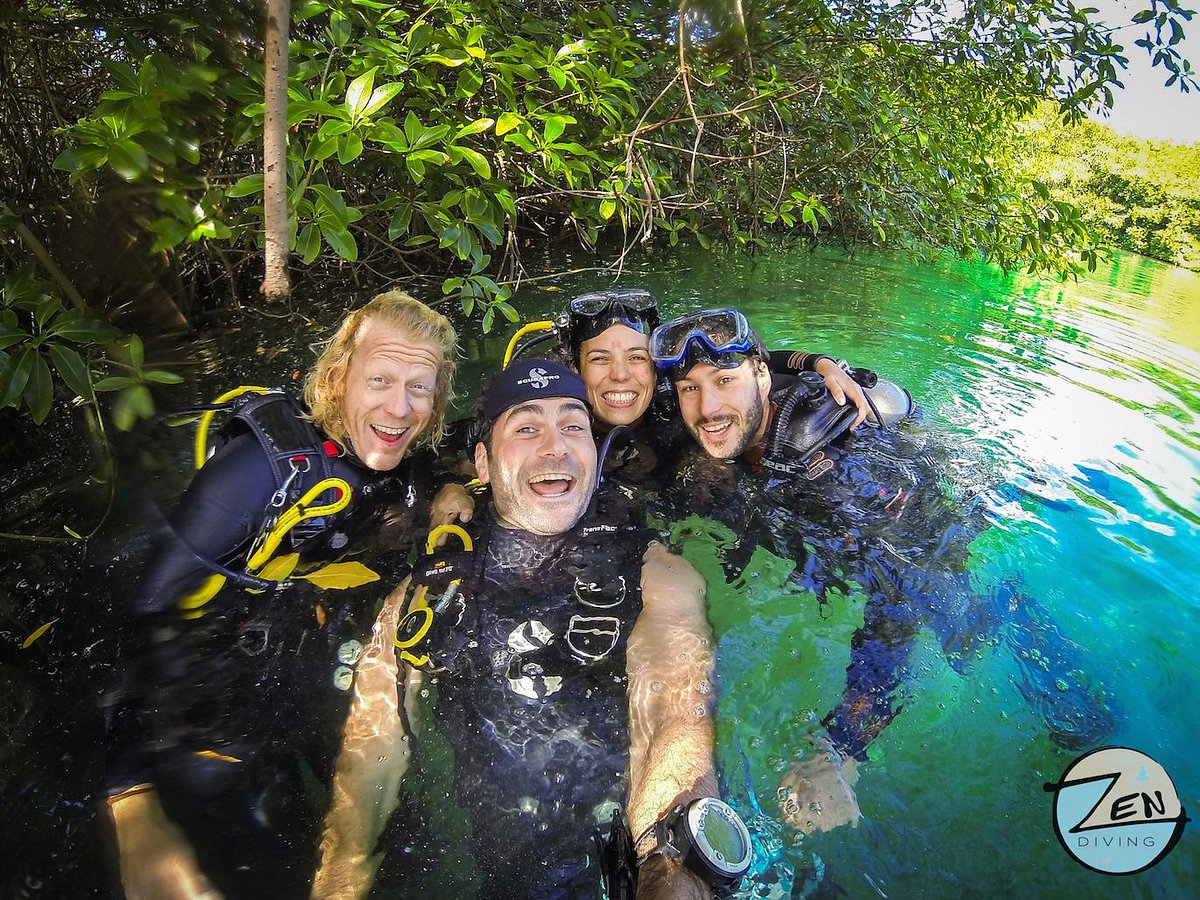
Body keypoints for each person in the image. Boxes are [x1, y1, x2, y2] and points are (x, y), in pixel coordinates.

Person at [648, 307, 1113, 841]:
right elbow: (744, 369)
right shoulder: (751, 397)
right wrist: (818, 359)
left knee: (963, 623)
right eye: (689, 388)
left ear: (758, 376)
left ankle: (1019, 619)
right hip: (863, 471)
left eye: (724, 382)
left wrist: (842, 744)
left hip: (920, 519)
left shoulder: (828, 471)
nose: (706, 407)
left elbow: (898, 606)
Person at [310, 359, 743, 900]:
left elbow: (677, 715)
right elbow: (373, 749)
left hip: (634, 864)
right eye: (527, 427)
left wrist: (666, 865)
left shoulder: (658, 574)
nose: (556, 447)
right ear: (484, 464)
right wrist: (342, 875)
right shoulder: (423, 598)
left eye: (573, 426)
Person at [104, 290, 460, 900]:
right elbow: (145, 609)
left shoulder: (406, 454)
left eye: (420, 387)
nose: (399, 407)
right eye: (379, 378)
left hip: (316, 650)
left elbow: (461, 461)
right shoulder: (262, 470)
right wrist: (131, 804)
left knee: (401, 839)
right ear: (339, 377)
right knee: (268, 860)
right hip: (214, 683)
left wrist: (458, 496)